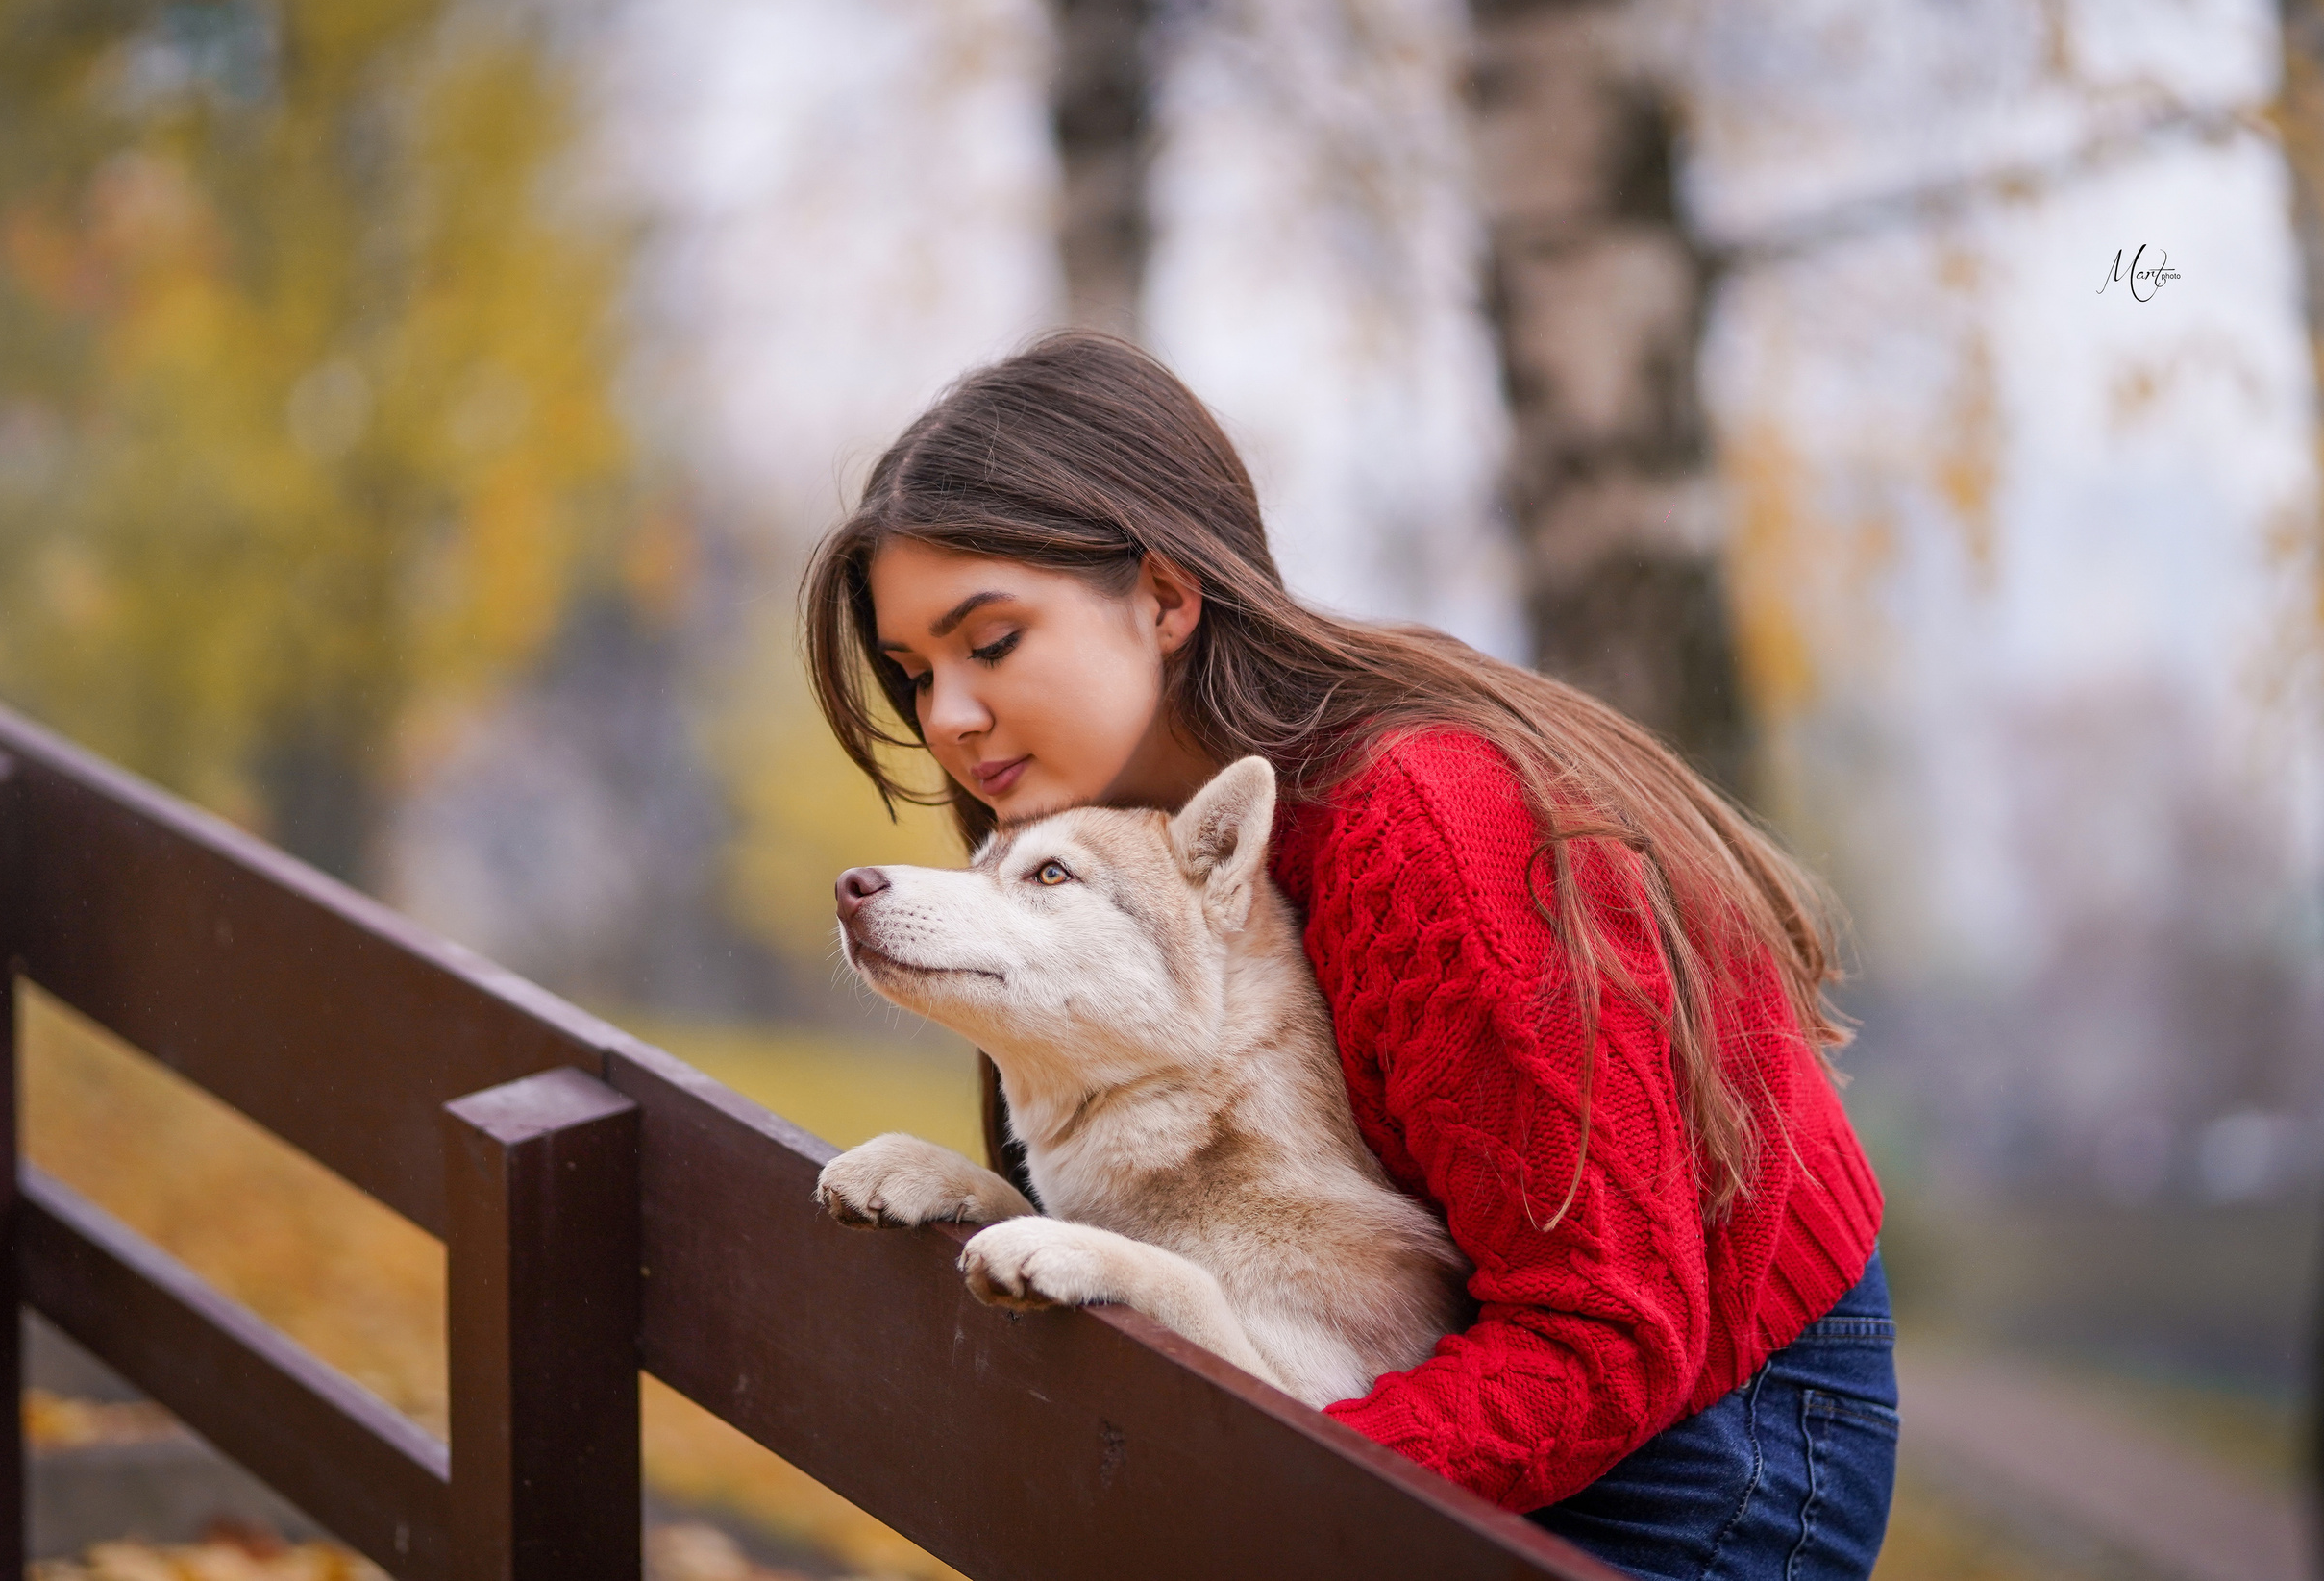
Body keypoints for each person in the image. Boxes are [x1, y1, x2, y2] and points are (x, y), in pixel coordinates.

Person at [800, 331, 1894, 1581]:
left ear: (1164, 597)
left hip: (1707, 1432)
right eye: (914, 672)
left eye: (988, 643)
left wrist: (1267, 1496)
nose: (948, 717)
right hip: (1455, 1376)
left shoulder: (1421, 834)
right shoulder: (1086, 846)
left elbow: (1607, 1333)